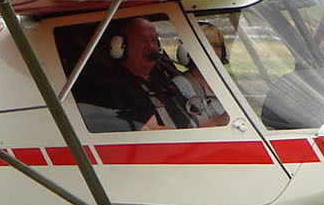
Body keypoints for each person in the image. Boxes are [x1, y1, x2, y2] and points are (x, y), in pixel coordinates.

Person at [77, 17, 225, 131]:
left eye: (154, 40)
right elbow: (154, 131)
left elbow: (195, 121)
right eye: (142, 40)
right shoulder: (119, 86)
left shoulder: (161, 81)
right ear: (121, 47)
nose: (151, 47)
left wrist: (224, 120)